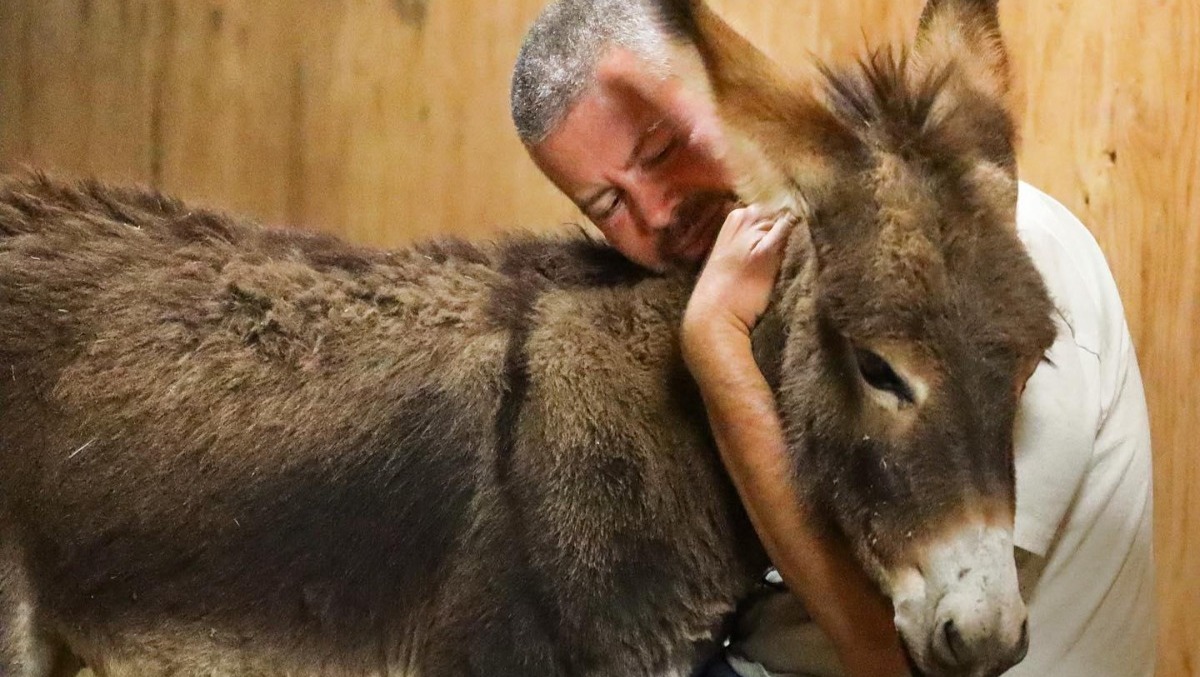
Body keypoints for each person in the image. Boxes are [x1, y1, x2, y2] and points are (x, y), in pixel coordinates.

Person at [508, 2, 1157, 676]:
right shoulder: (793, 287)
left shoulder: (989, 264)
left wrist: (716, 348)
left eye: (662, 151)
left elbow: (894, 655)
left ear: (735, 100)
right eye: (609, 205)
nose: (658, 210)